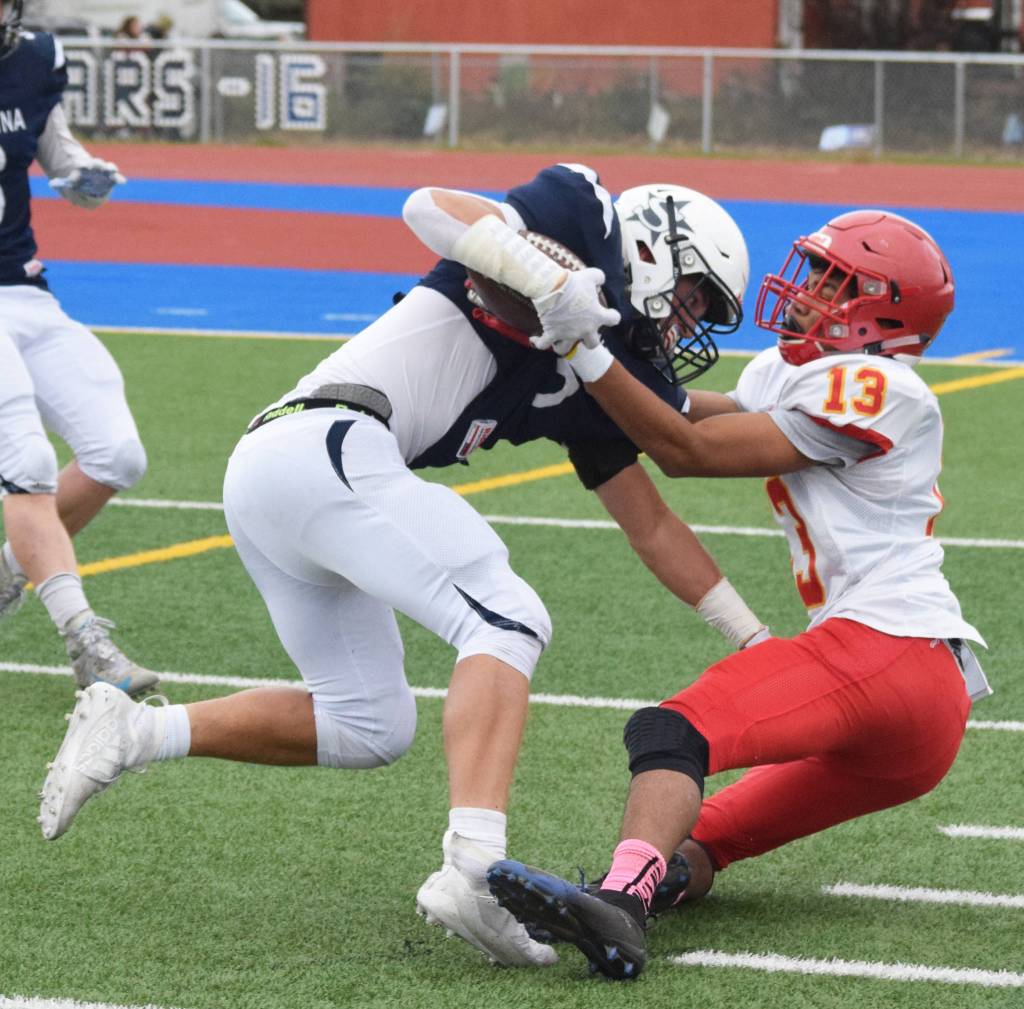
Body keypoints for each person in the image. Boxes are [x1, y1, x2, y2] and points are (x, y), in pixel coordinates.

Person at [36, 163, 767, 966]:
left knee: (368, 722)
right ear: (658, 246)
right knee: (507, 613)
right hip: (325, 441)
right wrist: (548, 282)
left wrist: (752, 635)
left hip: (288, 475)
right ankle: (473, 866)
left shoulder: (593, 372)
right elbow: (429, 206)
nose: (687, 322)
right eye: (693, 296)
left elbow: (653, 519)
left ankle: (136, 728)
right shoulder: (580, 215)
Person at [486, 209, 991, 980]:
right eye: (815, 270)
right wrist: (582, 391)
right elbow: (679, 412)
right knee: (707, 834)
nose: (808, 289)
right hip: (922, 715)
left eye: (834, 281)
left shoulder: (884, 384)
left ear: (883, 311)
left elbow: (687, 450)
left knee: (672, 728)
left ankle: (618, 904)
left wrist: (582, 348)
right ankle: (645, 885)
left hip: (892, 646)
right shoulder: (797, 372)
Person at [0, 0, 158, 695]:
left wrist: (84, 176)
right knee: (27, 461)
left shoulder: (33, 59)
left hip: (25, 289)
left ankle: (11, 567)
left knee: (117, 453)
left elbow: (56, 153)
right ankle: (84, 638)